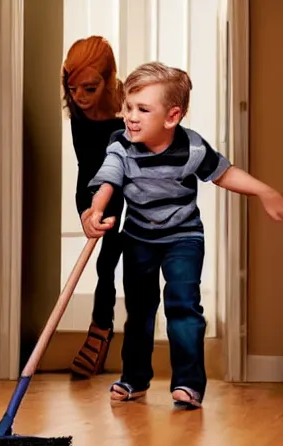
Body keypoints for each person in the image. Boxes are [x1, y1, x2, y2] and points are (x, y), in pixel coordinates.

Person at [83, 61, 283, 408]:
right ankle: (135, 379)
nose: (131, 116)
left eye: (143, 109)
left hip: (183, 237)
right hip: (139, 238)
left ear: (172, 117)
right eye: (128, 107)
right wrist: (95, 209)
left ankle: (188, 384)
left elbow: (224, 174)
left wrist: (266, 192)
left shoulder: (192, 148)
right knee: (140, 310)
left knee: (183, 308)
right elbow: (108, 179)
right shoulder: (121, 145)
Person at [61, 36, 125, 379]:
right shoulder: (79, 115)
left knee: (117, 255)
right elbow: (89, 166)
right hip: (93, 187)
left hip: (132, 183)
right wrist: (90, 211)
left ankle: (102, 326)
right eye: (73, 89)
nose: (79, 98)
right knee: (104, 256)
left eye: (89, 88)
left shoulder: (129, 107)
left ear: (110, 78)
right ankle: (102, 324)